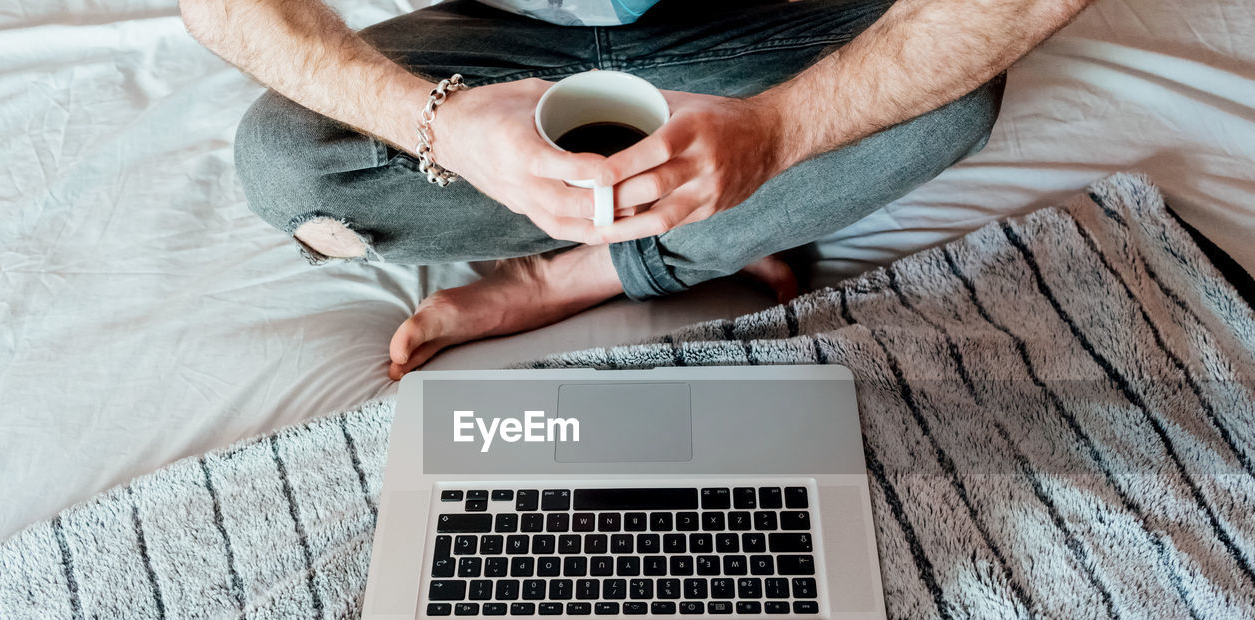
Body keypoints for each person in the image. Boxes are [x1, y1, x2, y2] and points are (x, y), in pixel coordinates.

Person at [180, 0, 1092, 379]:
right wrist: (445, 127)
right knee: (292, 161)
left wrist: (783, 130)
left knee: (951, 99)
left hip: (769, 26)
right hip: (505, 45)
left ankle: (586, 270)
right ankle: (723, 223)